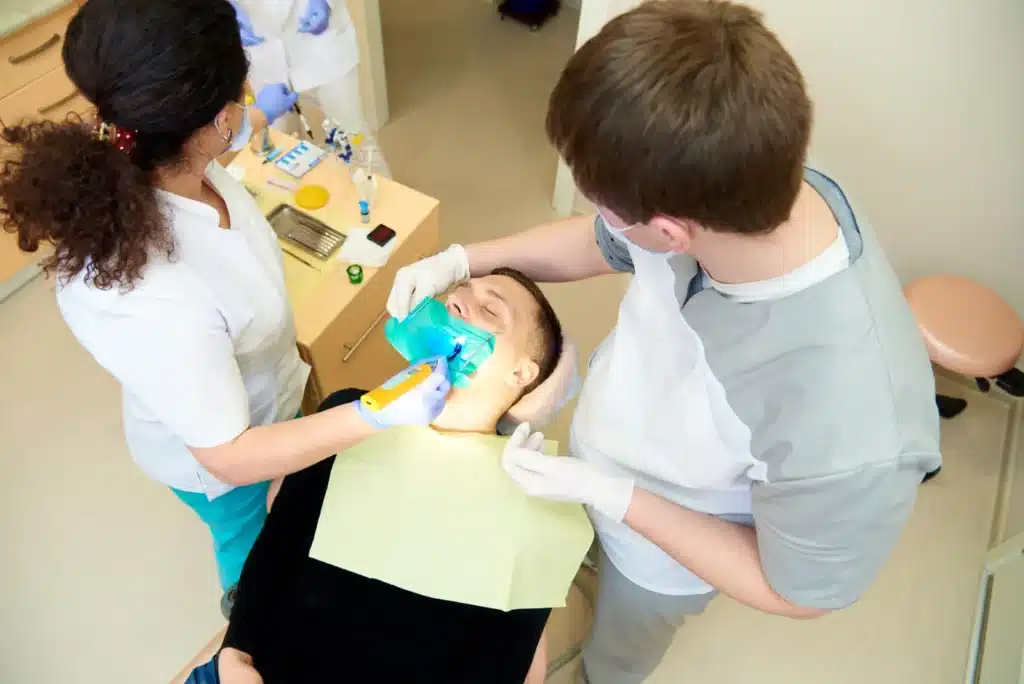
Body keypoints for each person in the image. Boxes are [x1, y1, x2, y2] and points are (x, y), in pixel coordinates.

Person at [386, 1, 942, 682]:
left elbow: (796, 591)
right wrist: (464, 259)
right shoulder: (736, 171)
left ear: (674, 231)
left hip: (661, 564)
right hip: (600, 468)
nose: (599, 219)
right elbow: (606, 241)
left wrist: (620, 498)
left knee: (610, 656)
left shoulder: (848, 424)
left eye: (606, 205)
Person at [0, 0, 448, 615]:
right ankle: (254, 614)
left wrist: (255, 123)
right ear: (212, 119)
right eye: (241, 93)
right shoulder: (151, 295)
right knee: (261, 570)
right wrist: (376, 412)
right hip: (223, 465)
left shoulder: (169, 164)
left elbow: (222, 215)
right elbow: (230, 455)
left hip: (264, 395)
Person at [186, 268, 565, 684]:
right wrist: (235, 649)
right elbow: (279, 541)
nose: (458, 302)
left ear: (523, 374)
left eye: (490, 310)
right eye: (460, 291)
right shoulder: (352, 415)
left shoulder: (531, 500)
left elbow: (507, 654)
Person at [229, 0, 388, 174]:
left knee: (352, 138)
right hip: (261, 46)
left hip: (322, 43)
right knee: (279, 144)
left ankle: (378, 197)